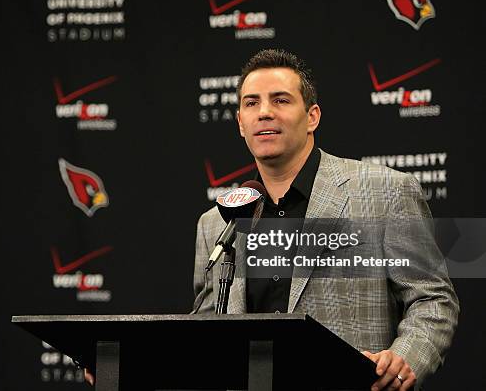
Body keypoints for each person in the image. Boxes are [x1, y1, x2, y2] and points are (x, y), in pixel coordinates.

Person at [191, 49, 459, 390]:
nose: (265, 113)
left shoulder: (386, 193)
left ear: (312, 116)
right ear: (241, 123)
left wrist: (405, 357)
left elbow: (433, 300)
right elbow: (200, 331)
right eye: (251, 103)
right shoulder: (216, 224)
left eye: (281, 100)